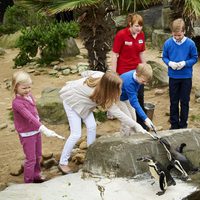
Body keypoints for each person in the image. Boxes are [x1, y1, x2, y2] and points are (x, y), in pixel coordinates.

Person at [58, 70, 148, 174]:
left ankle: (91, 155)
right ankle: (63, 163)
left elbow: (86, 73)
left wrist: (82, 79)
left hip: (85, 104)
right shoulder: (101, 96)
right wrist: (137, 125)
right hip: (71, 101)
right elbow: (120, 114)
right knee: (76, 134)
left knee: (92, 126)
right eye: (117, 88)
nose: (120, 90)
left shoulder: (101, 75)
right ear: (109, 87)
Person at [12, 70, 64, 183]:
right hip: (27, 133)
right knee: (30, 159)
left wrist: (39, 125)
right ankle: (28, 181)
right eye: (24, 88)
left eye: (29, 87)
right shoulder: (17, 103)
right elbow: (29, 117)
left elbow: (34, 111)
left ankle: (36, 175)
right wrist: (43, 128)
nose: (27, 90)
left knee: (38, 155)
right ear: (16, 87)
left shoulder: (29, 96)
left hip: (36, 130)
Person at [111, 13, 146, 129]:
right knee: (125, 99)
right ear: (130, 24)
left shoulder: (141, 35)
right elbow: (115, 54)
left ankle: (141, 123)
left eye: (140, 26)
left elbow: (141, 53)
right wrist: (114, 73)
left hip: (138, 72)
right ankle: (128, 125)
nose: (139, 28)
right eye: (136, 26)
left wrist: (145, 68)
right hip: (124, 73)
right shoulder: (121, 35)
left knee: (139, 96)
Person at [162, 18, 198, 129]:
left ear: (184, 31)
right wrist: (170, 63)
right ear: (172, 32)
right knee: (173, 101)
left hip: (186, 77)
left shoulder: (190, 43)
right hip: (173, 76)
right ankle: (174, 124)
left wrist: (185, 63)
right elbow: (164, 57)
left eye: (179, 35)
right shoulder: (168, 43)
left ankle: (183, 124)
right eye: (175, 35)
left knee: (185, 101)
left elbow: (195, 58)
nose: (177, 38)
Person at [120, 63, 155, 134]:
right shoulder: (129, 82)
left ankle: (133, 137)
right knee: (127, 121)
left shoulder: (138, 77)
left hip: (127, 97)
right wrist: (145, 118)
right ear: (137, 75)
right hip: (118, 98)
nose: (144, 83)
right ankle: (124, 139)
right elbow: (134, 102)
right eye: (143, 81)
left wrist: (145, 119)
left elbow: (134, 97)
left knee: (133, 118)